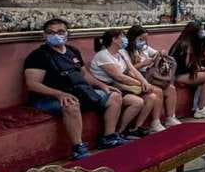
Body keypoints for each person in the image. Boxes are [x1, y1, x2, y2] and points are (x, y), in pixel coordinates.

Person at [23, 18, 128, 161]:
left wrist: (102, 86)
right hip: (48, 98)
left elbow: (84, 75)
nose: (56, 35)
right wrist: (59, 94)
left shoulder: (73, 51)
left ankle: (109, 138)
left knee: (114, 96)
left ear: (68, 33)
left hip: (79, 91)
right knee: (71, 103)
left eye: (60, 32)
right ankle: (78, 148)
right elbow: (33, 84)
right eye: (51, 32)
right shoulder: (38, 56)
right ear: (44, 35)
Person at [90, 29, 160, 136]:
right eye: (122, 37)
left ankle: (135, 128)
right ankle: (120, 132)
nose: (125, 39)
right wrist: (140, 84)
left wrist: (144, 81)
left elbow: (132, 69)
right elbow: (119, 77)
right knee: (137, 102)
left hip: (122, 87)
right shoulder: (103, 55)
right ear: (114, 39)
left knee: (152, 97)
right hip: (108, 88)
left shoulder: (122, 53)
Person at [125, 25, 182, 128]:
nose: (143, 42)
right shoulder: (125, 52)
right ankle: (155, 122)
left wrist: (161, 53)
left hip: (150, 76)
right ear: (133, 38)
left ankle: (170, 118)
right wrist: (142, 64)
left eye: (145, 39)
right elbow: (127, 70)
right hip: (137, 78)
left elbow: (158, 53)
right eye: (141, 39)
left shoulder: (145, 48)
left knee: (171, 89)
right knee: (158, 91)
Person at [170, 21, 205, 118]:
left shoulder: (195, 43)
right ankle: (201, 109)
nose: (203, 32)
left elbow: (194, 63)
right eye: (201, 30)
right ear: (194, 32)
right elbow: (183, 66)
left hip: (188, 72)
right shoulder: (184, 45)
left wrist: (202, 68)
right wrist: (199, 69)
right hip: (179, 75)